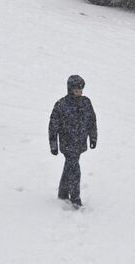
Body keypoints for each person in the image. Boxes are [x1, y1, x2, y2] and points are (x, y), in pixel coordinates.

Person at [48, 74, 97, 209]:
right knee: (75, 169)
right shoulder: (61, 105)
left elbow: (92, 121)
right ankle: (75, 199)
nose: (79, 93)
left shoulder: (86, 102)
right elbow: (53, 126)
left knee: (69, 166)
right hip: (67, 144)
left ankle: (63, 193)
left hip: (80, 143)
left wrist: (93, 137)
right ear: (70, 89)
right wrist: (54, 145)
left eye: (81, 90)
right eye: (76, 90)